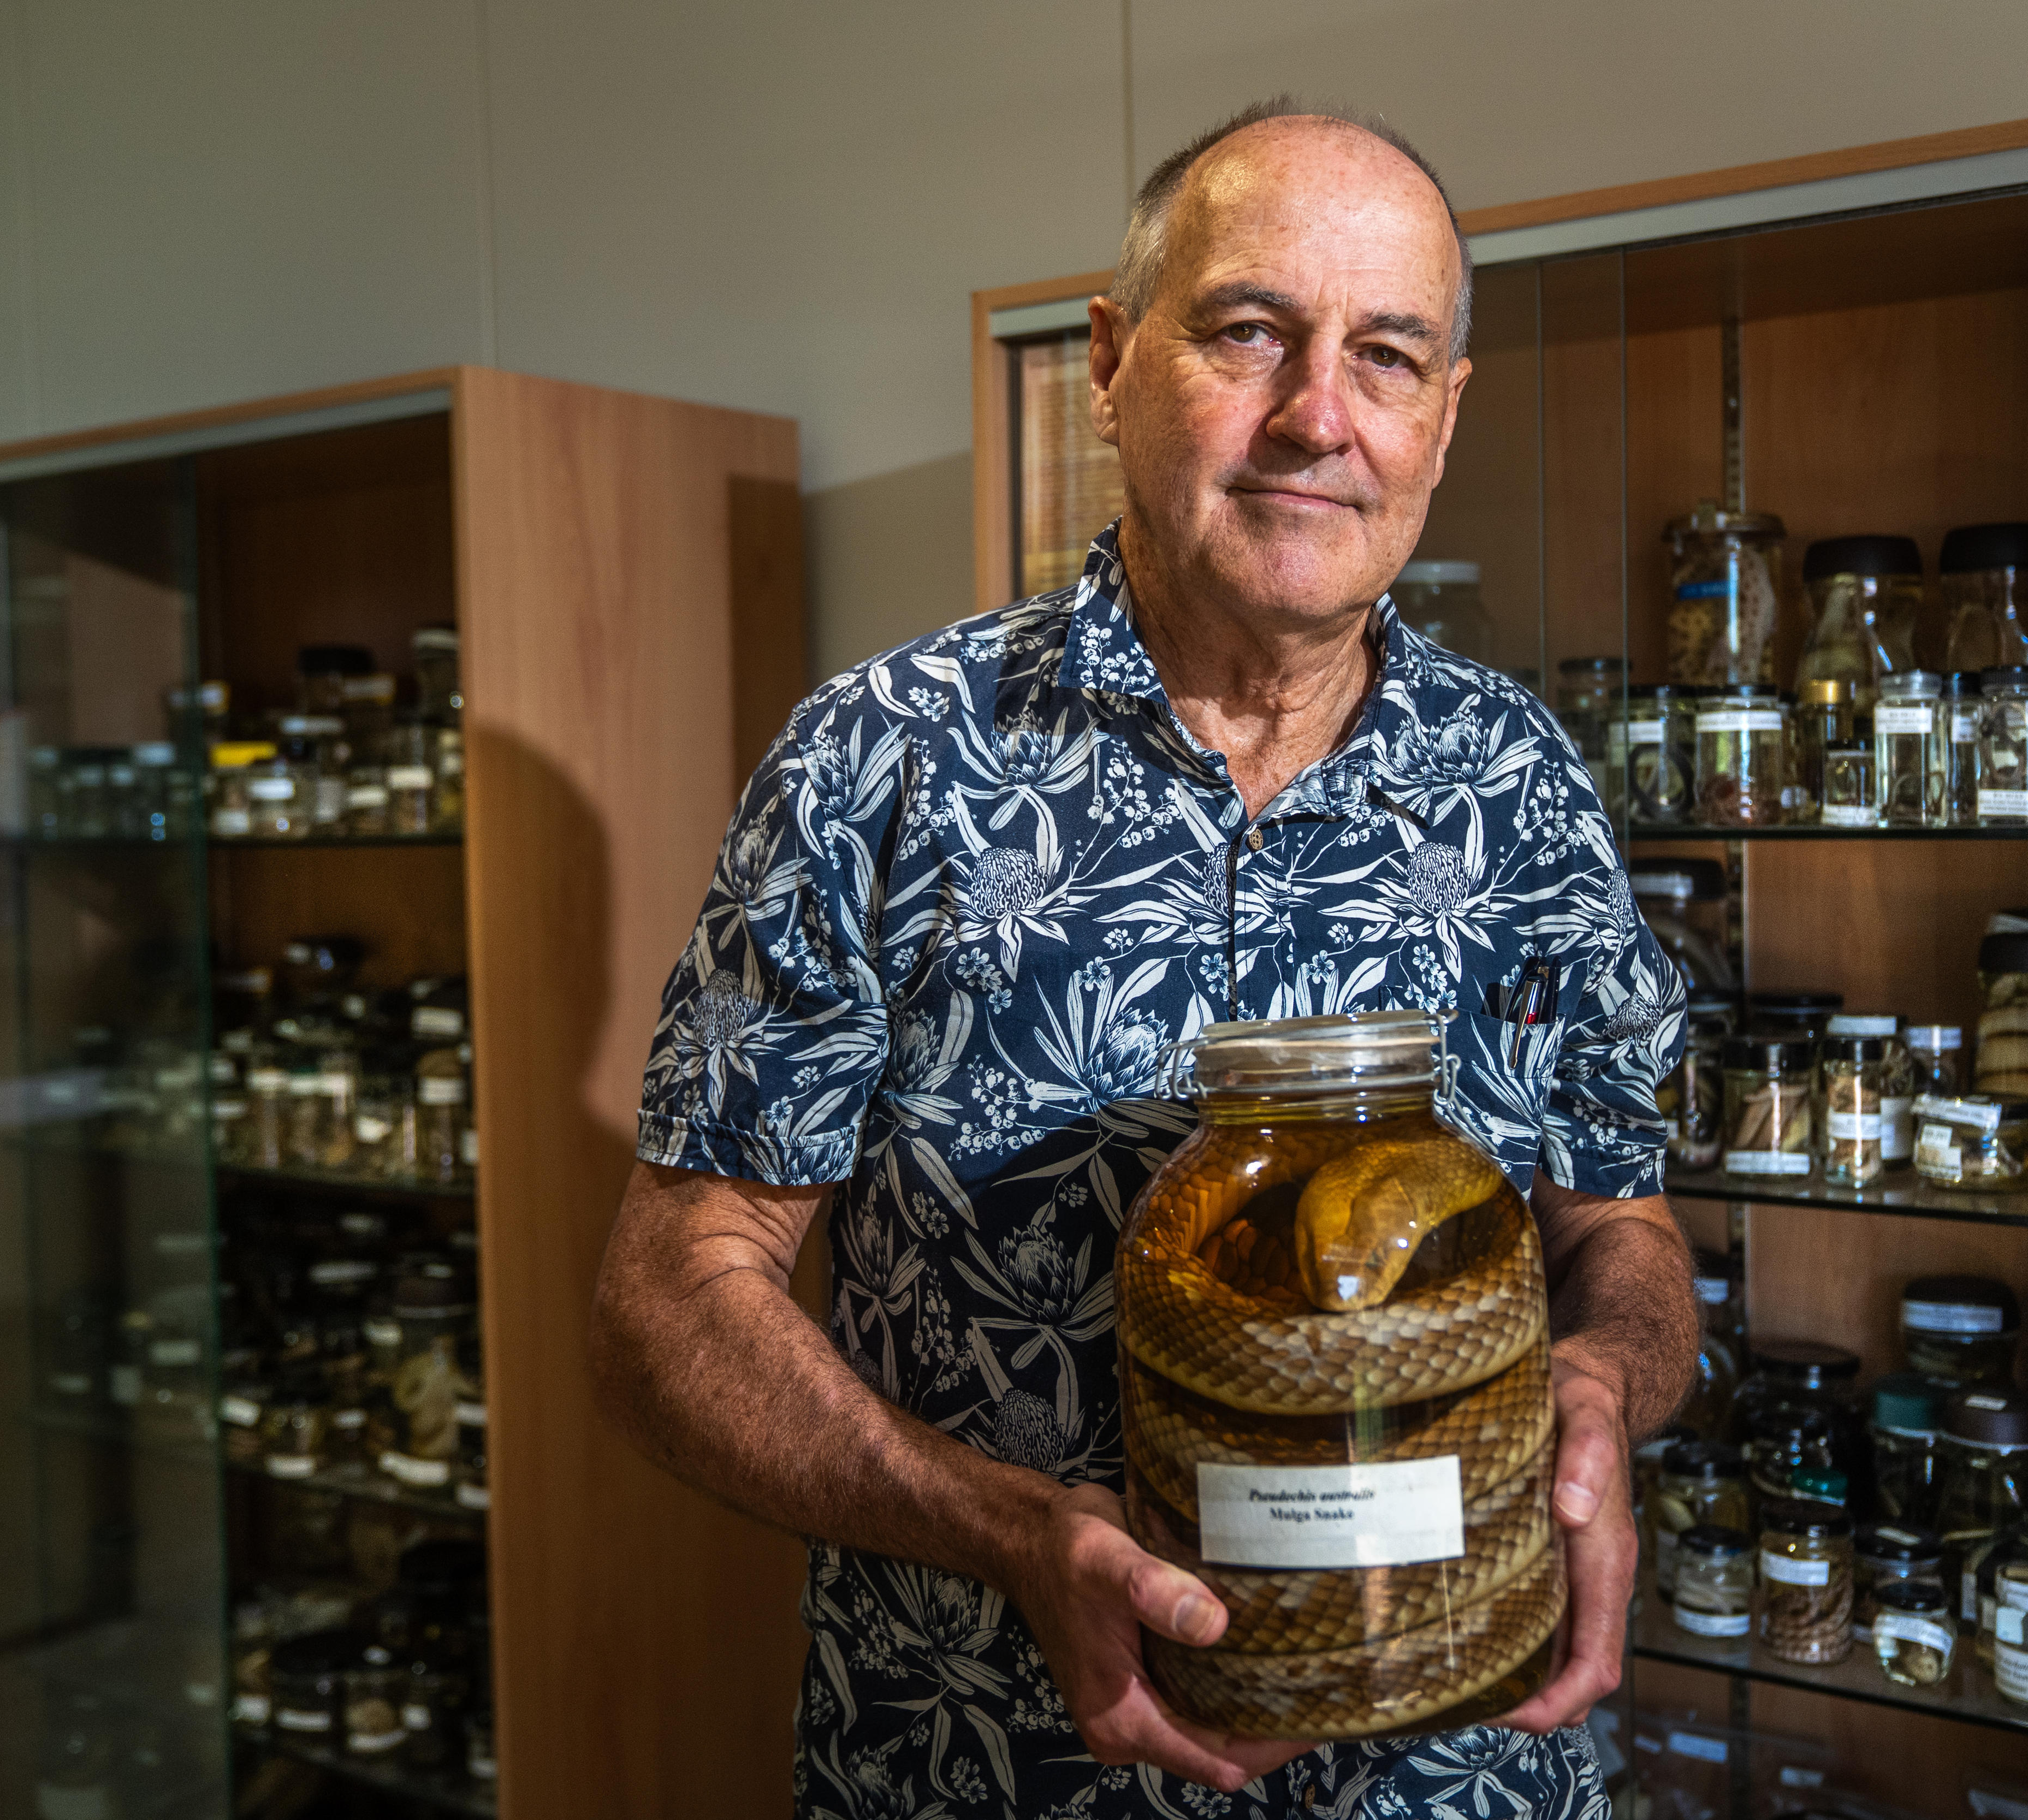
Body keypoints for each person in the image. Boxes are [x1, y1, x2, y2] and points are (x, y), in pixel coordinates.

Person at [592, 97, 1695, 1820]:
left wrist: (1603, 1389)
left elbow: (1619, 1221)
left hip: (1460, 1778)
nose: (1318, 417)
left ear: (1444, 416)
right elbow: (669, 1296)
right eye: (1250, 332)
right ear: (1110, 363)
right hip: (983, 1768)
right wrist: (1010, 1530)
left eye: (1388, 355)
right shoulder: (887, 756)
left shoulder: (1525, 785)